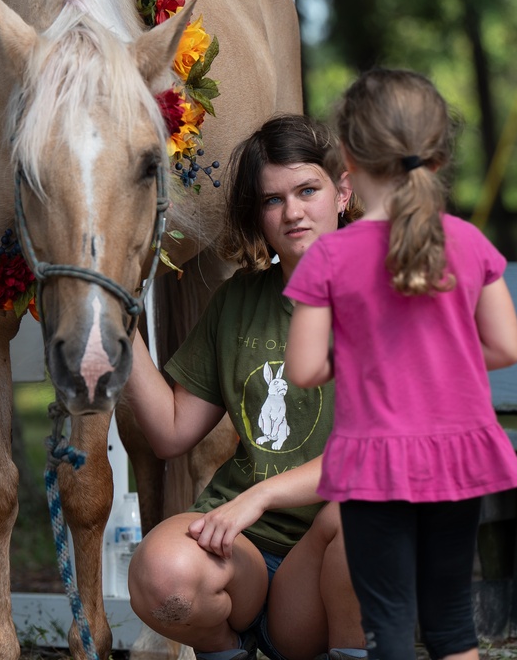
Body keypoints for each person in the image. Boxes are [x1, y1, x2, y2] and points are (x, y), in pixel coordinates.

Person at [283, 68, 517, 660]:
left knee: (387, 625)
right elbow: (505, 348)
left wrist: (369, 357)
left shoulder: (330, 258)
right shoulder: (469, 243)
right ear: (438, 158)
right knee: (451, 626)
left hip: (375, 467)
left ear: (347, 158)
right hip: (459, 454)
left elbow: (305, 368)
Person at [124, 113, 367, 660]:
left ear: (343, 192)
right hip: (244, 556)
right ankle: (226, 651)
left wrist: (257, 498)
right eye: (272, 200)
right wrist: (117, 322)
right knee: (162, 575)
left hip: (331, 562)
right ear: (257, 215)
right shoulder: (238, 302)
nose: (293, 212)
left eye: (308, 190)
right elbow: (169, 431)